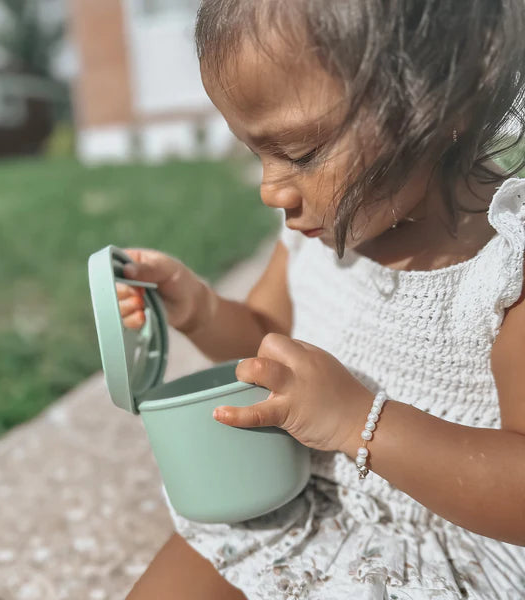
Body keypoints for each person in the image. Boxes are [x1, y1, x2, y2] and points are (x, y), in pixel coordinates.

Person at [120, 1, 525, 598]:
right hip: (302, 503)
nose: (270, 189)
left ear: (445, 104)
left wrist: (361, 424)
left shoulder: (505, 269)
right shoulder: (319, 236)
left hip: (444, 552)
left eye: (302, 153)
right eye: (254, 152)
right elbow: (266, 338)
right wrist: (201, 311)